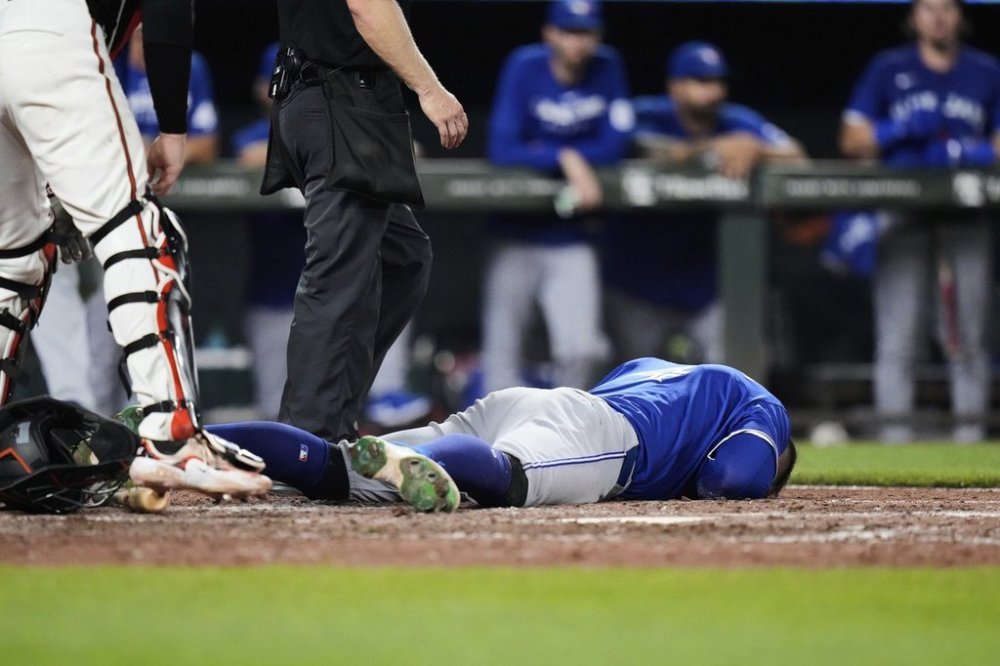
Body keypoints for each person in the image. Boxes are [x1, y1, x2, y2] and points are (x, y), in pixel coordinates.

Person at [0, 0, 270, 498]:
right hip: (54, 28)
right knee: (140, 235)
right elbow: (168, 8)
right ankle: (172, 436)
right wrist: (172, 126)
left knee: (11, 264)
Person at [195, 357, 796, 512]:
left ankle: (177, 435)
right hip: (605, 437)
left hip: (534, 402)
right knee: (506, 477)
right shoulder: (763, 407)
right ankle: (410, 461)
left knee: (330, 468)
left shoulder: (669, 372)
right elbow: (735, 478)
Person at [262, 0, 468, 443]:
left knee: (403, 258)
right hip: (338, 104)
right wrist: (430, 90)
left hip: (321, 99)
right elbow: (367, 5)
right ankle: (308, 440)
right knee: (336, 278)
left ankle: (333, 417)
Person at [32, 24, 222, 417]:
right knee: (45, 272)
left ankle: (156, 416)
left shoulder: (185, 63)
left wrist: (137, 144)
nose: (145, 38)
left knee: (137, 304)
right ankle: (83, 414)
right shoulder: (102, 49)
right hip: (84, 193)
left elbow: (206, 141)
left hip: (134, 211)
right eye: (139, 32)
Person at [839, 0, 1000, 443]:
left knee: (968, 337)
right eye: (928, 8)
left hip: (966, 210)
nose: (938, 17)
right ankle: (897, 444)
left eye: (947, 8)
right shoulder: (889, 68)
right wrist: (899, 129)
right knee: (898, 336)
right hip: (903, 206)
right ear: (913, 17)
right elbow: (852, 139)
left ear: (961, 17)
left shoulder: (986, 70)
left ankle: (970, 444)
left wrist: (977, 153)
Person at [603, 41, 805, 365]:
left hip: (707, 288)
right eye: (700, 81)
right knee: (636, 392)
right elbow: (644, 149)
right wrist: (713, 150)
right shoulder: (645, 113)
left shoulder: (736, 122)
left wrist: (755, 148)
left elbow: (796, 157)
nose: (713, 91)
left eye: (717, 82)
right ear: (675, 87)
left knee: (730, 378)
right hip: (637, 284)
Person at [482, 0, 633, 395]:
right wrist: (567, 157)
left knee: (582, 349)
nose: (578, 42)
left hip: (571, 235)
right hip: (514, 233)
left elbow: (617, 144)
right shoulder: (525, 65)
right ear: (549, 33)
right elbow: (502, 148)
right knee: (501, 362)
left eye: (586, 33)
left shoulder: (607, 65)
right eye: (569, 32)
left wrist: (548, 151)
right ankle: (492, 449)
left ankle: (567, 434)